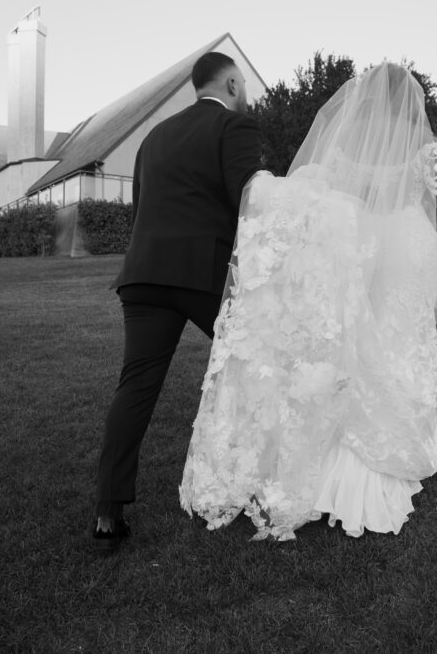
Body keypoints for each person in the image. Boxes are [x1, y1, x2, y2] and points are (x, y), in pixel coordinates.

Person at [179, 63, 437, 540]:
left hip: (365, 251)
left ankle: (337, 455)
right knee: (405, 345)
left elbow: (311, 196)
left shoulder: (347, 144)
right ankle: (394, 447)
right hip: (410, 254)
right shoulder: (422, 147)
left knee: (359, 344)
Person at [91, 52, 263, 551]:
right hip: (203, 275)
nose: (245, 92)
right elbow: (250, 202)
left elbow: (141, 208)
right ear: (231, 83)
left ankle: (107, 513)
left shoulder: (153, 138)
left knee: (135, 388)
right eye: (243, 84)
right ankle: (262, 475)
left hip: (143, 275)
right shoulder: (235, 127)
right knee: (258, 362)